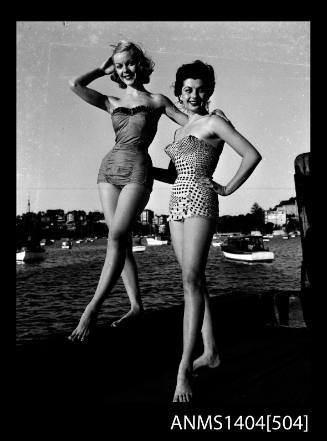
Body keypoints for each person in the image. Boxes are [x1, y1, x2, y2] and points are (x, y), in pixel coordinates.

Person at [152, 60, 262, 402]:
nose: (194, 95)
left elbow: (251, 154)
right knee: (193, 279)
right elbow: (172, 175)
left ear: (208, 91)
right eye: (188, 89)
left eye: (201, 89)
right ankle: (211, 350)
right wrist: (144, 168)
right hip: (176, 202)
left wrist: (227, 188)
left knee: (191, 280)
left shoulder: (215, 121)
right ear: (179, 93)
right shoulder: (178, 131)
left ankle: (184, 367)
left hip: (201, 198)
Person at [68, 41, 188, 342]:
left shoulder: (158, 101)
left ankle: (92, 308)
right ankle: (136, 306)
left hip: (138, 171)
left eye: (130, 63)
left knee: (116, 237)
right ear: (115, 71)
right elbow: (74, 84)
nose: (126, 70)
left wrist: (178, 153)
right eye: (119, 66)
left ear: (142, 65)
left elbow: (190, 125)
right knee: (120, 241)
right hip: (107, 171)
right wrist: (100, 68)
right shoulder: (110, 101)